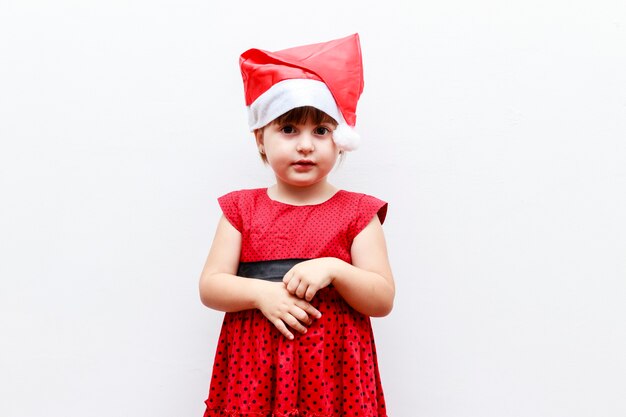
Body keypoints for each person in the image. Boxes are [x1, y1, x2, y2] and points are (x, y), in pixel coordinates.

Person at [199, 33, 395, 417]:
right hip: (253, 371)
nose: (306, 145)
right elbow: (211, 286)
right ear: (261, 139)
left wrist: (335, 268)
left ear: (339, 141)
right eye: (289, 130)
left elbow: (382, 298)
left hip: (334, 376)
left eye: (321, 131)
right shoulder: (241, 208)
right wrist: (261, 294)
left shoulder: (358, 213)